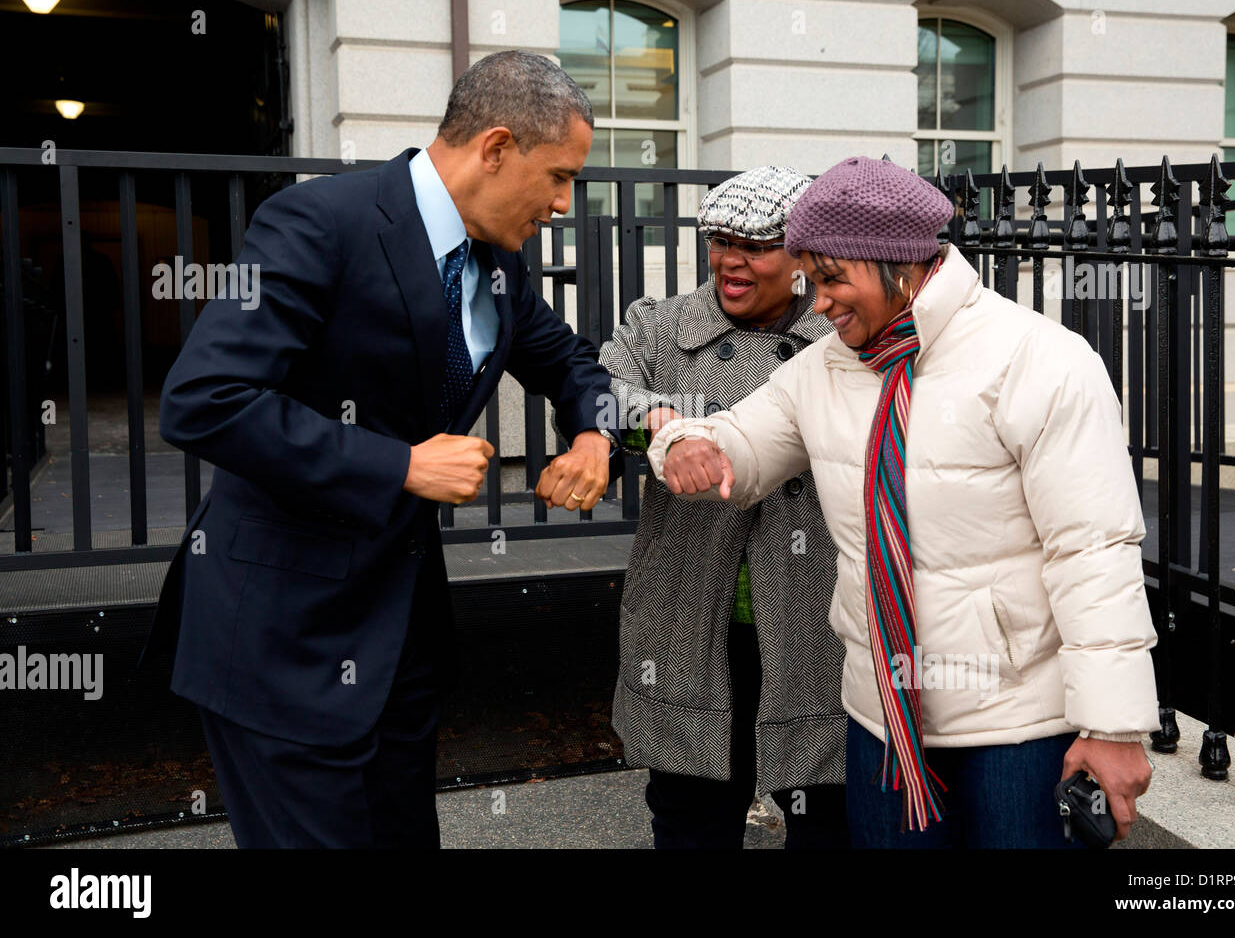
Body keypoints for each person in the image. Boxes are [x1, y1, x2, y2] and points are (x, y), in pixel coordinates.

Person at [140, 51, 619, 848]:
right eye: (560, 176)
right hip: (282, 645)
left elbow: (575, 365)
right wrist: (397, 465)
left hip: (397, 650)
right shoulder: (318, 221)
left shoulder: (499, 262)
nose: (565, 203)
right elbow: (205, 400)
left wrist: (604, 436)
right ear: (495, 148)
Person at [649, 156, 1158, 848]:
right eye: (811, 280)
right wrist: (683, 440)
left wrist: (1114, 726)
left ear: (899, 264)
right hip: (880, 718)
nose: (819, 303)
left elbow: (1093, 551)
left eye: (831, 279)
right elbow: (736, 439)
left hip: (1016, 724)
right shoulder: (823, 368)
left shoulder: (1041, 361)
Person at [596, 166, 849, 848]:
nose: (731, 260)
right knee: (691, 818)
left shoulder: (842, 336)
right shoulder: (662, 326)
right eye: (720, 240)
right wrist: (661, 424)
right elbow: (597, 394)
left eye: (757, 246)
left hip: (814, 618)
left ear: (802, 255)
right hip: (692, 614)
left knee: (823, 816)